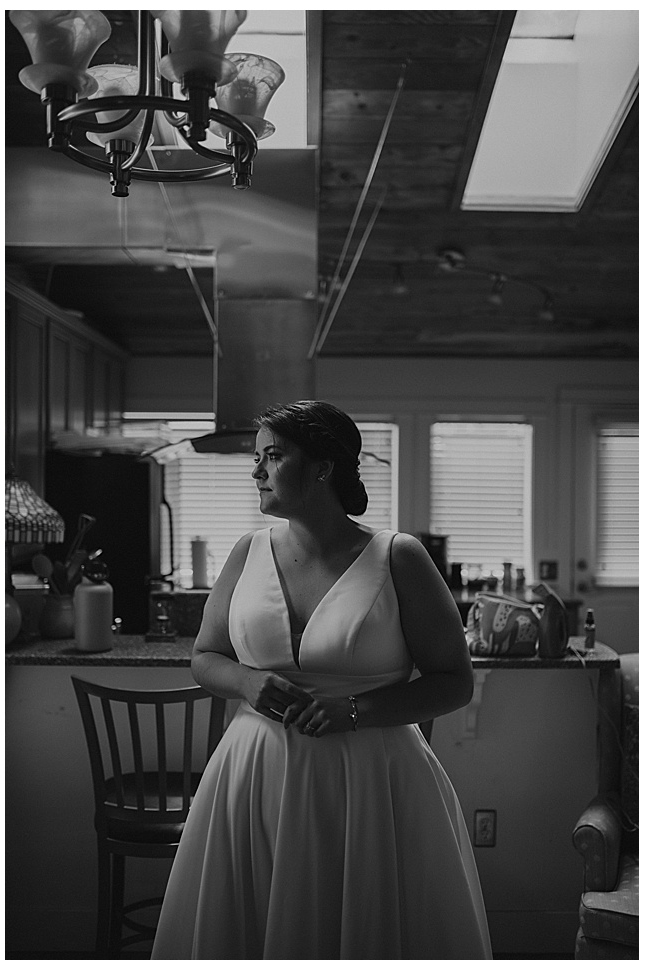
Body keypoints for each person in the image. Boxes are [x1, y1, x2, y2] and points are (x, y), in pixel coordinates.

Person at [151, 400, 491, 959]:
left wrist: (355, 711)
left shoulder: (396, 557)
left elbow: (453, 681)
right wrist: (246, 683)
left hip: (372, 782)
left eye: (273, 456)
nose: (256, 470)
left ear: (323, 468)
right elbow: (205, 656)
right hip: (256, 774)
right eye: (257, 457)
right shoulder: (248, 552)